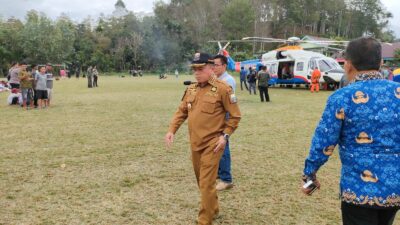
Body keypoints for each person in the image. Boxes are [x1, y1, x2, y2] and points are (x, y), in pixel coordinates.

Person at [301, 37, 400, 225]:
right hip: (394, 189)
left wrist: (309, 174)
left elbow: (324, 142)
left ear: (347, 65)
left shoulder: (341, 98)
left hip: (358, 190)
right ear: (380, 63)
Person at [165, 53, 241, 225]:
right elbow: (181, 112)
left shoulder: (223, 89)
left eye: (201, 69)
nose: (197, 73)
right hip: (195, 143)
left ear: (211, 68)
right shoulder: (191, 89)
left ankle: (204, 220)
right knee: (202, 182)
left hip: (214, 144)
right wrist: (172, 130)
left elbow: (235, 116)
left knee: (206, 183)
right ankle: (213, 208)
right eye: (194, 69)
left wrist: (225, 136)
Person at [212, 54, 236, 191]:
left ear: (224, 66)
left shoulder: (228, 80)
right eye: (212, 65)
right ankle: (218, 173)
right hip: (216, 116)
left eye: (216, 65)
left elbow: (228, 103)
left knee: (223, 146)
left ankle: (226, 179)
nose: (213, 67)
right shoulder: (217, 79)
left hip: (224, 116)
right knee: (216, 145)